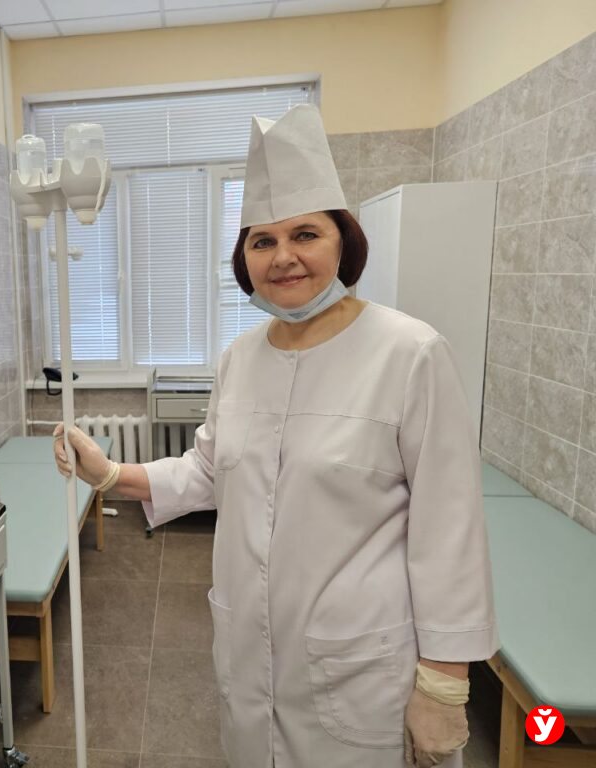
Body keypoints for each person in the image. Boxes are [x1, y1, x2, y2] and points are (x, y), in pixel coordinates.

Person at [53, 104, 498, 768]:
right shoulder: (241, 357)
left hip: (362, 671)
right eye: (262, 241)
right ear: (244, 259)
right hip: (250, 659)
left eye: (305, 234)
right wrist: (112, 475)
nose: (283, 256)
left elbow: (450, 526)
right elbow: (211, 471)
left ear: (343, 243)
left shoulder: (410, 354)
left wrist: (444, 682)